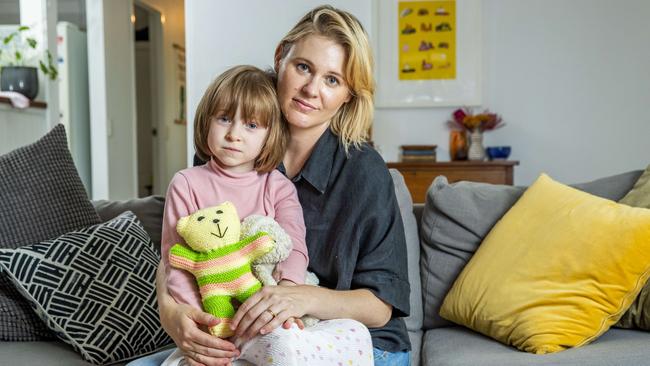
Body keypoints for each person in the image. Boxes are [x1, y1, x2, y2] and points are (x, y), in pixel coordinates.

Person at [151, 5, 411, 366]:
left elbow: (381, 306)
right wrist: (171, 313)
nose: (311, 89)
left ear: (348, 95)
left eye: (332, 80)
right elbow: (181, 251)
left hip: (355, 342)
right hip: (243, 334)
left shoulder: (365, 171)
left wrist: (298, 297)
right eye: (303, 67)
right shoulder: (229, 146)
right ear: (280, 57)